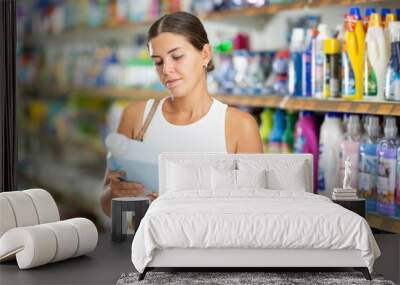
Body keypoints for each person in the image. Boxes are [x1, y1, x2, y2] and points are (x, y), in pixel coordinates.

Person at [100, 11, 263, 216]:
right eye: (158, 61)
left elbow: (255, 212)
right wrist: (114, 195)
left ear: (205, 54)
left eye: (177, 56)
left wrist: (188, 205)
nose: (166, 69)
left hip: (210, 247)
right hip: (142, 245)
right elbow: (106, 205)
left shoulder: (240, 126)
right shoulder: (136, 116)